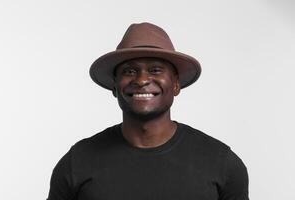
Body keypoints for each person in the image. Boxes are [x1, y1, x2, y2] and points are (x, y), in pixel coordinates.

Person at [47, 22, 249, 200]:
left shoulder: (221, 164)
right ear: (114, 87)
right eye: (129, 71)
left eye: (155, 70)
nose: (142, 80)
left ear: (176, 85)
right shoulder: (78, 162)